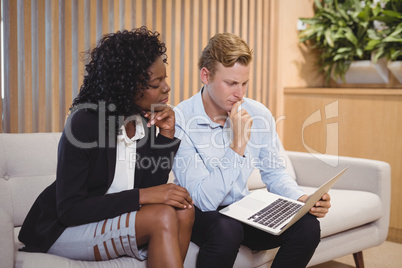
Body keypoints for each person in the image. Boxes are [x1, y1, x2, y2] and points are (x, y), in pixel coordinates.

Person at [18, 27, 194, 268]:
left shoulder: (141, 120)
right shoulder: (85, 123)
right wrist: (142, 196)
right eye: (156, 82)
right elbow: (70, 210)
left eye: (165, 78)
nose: (167, 88)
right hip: (65, 228)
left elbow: (152, 186)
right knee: (163, 215)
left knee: (184, 210)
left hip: (112, 218)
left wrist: (165, 135)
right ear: (128, 85)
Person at [172, 32, 331, 268]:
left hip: (241, 209)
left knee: (307, 225)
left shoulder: (258, 113)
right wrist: (238, 144)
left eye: (244, 83)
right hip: (200, 214)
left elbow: (275, 173)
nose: (240, 93)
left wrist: (302, 200)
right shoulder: (180, 120)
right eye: (231, 83)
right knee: (228, 229)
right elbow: (203, 200)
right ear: (205, 75)